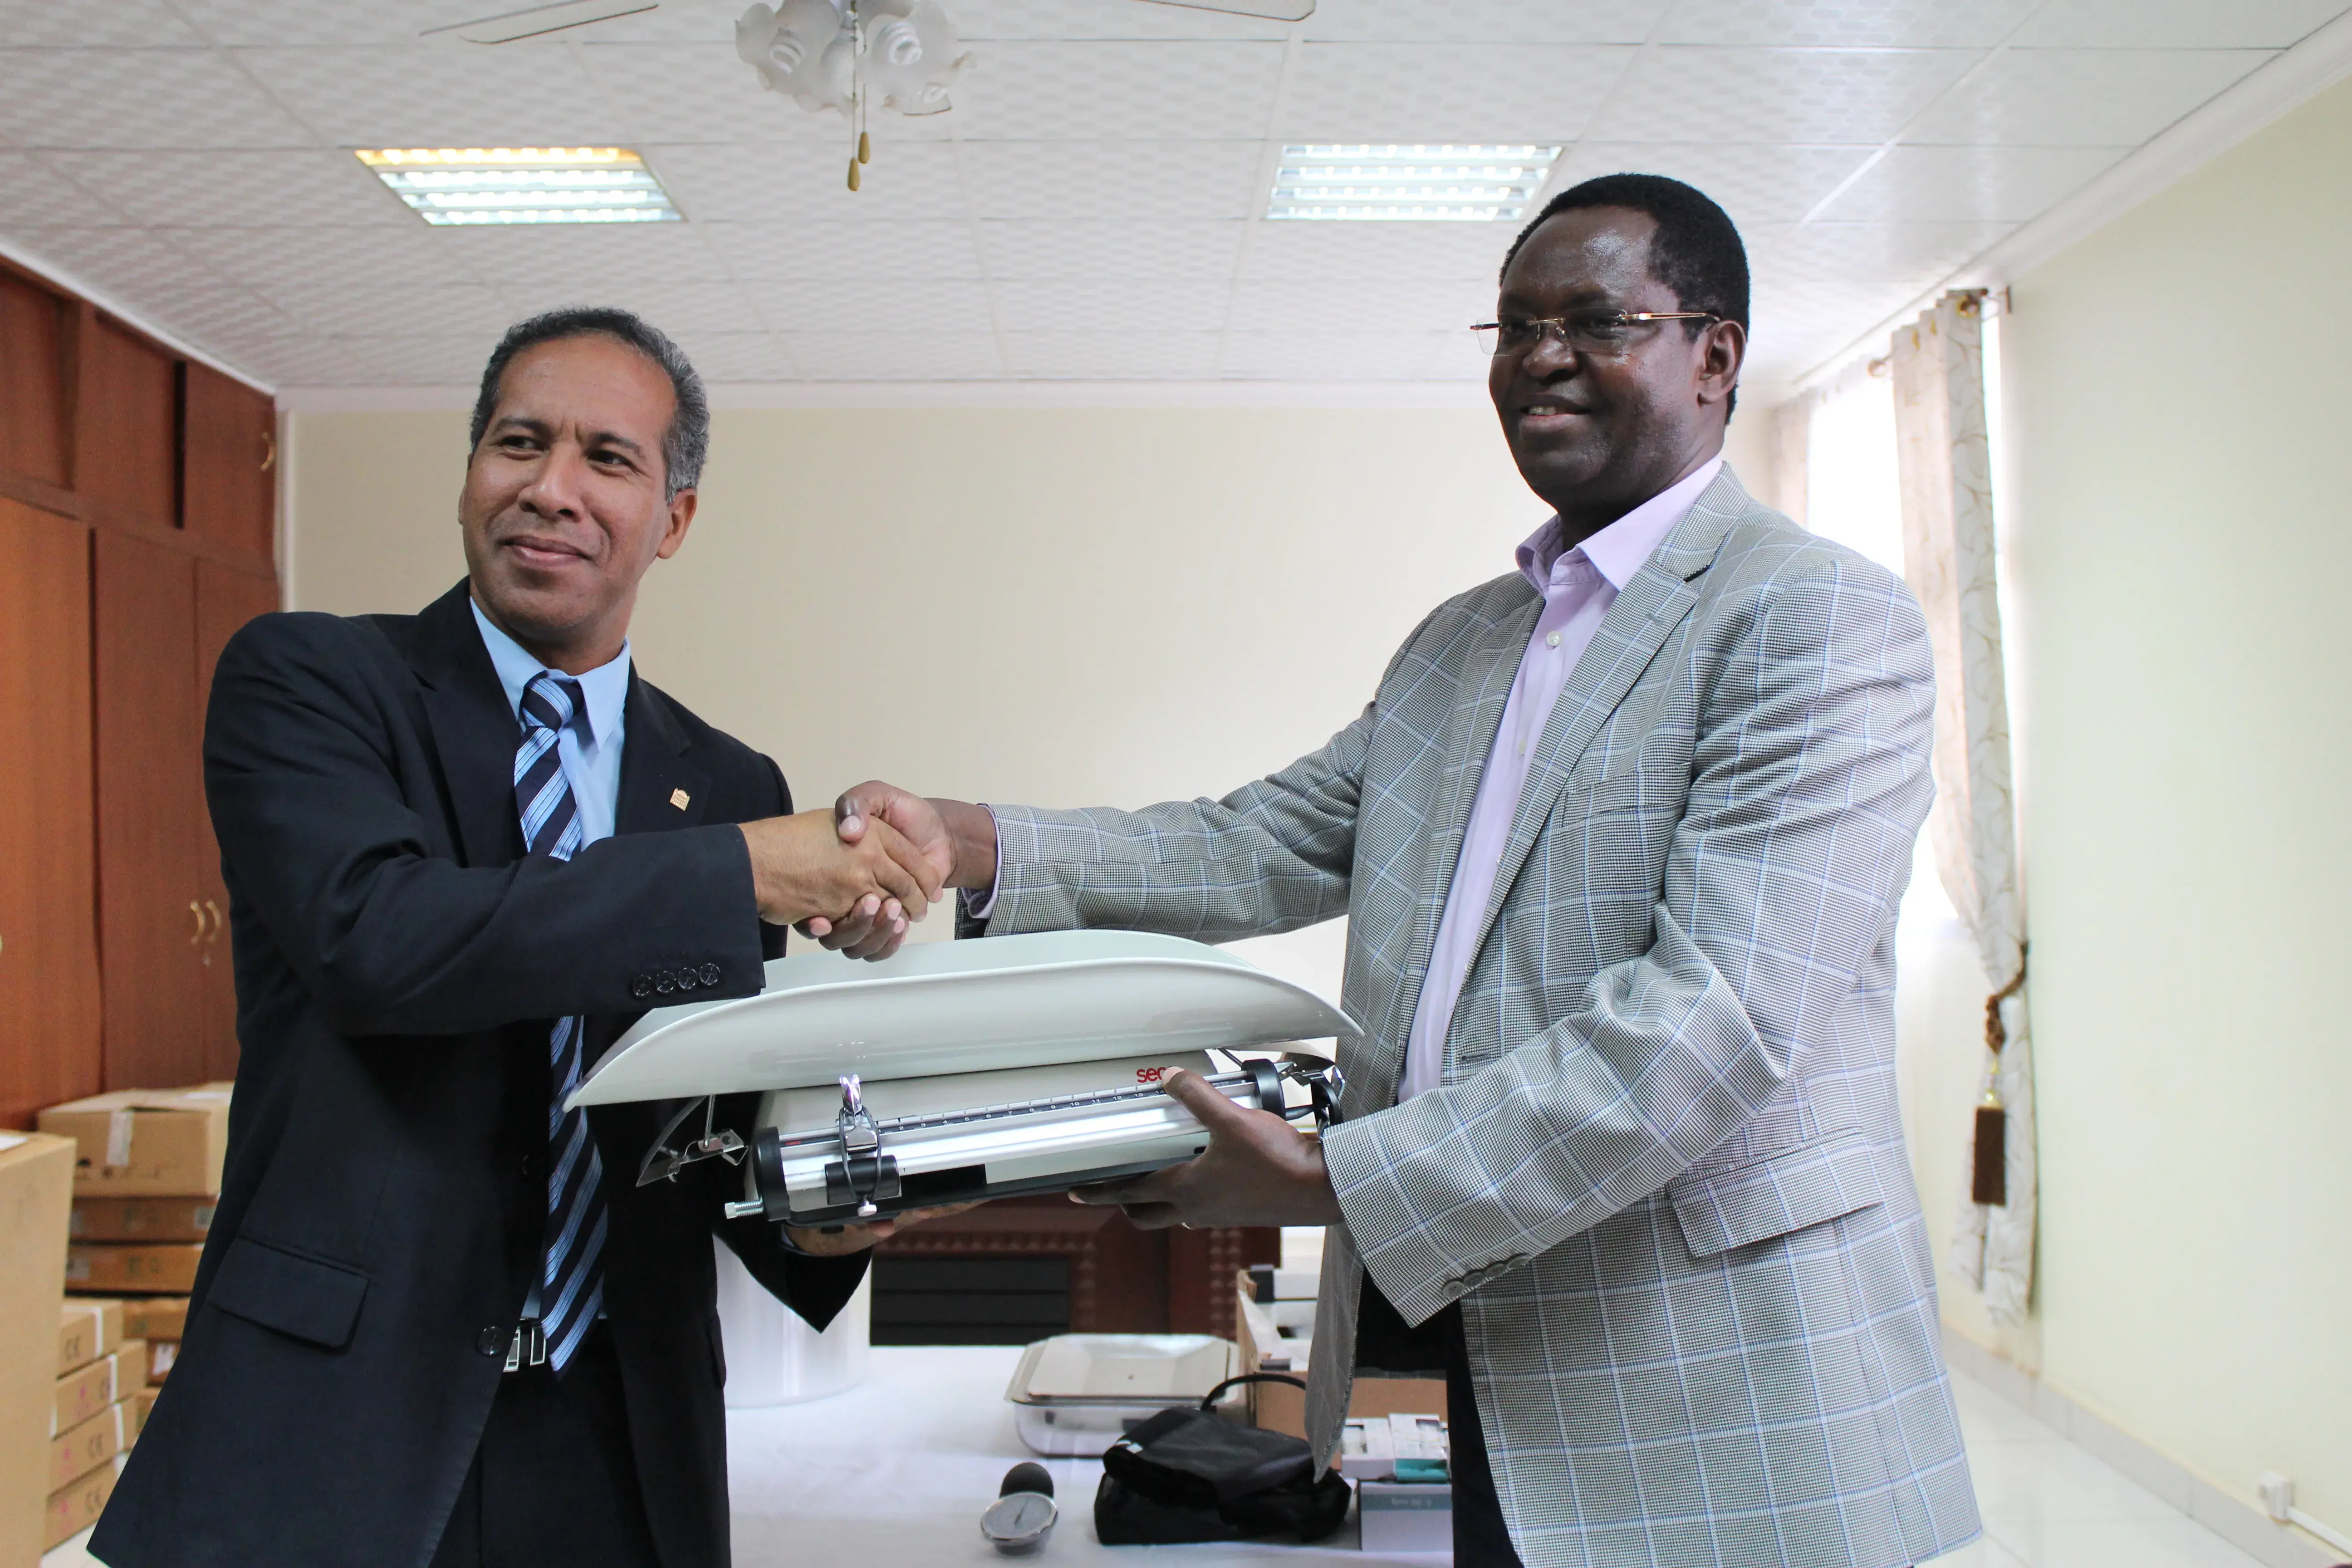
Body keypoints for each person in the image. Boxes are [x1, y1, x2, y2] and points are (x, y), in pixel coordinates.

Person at [816, 176, 1982, 1568]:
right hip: (1461, 1320)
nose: (1541, 355)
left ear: (1714, 355)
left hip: (1706, 1361)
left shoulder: (1813, 617)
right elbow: (1256, 846)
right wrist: (969, 837)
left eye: (1596, 320)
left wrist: (1331, 1176)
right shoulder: (1464, 641)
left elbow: (1716, 1020)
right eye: (1515, 324)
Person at [93, 308, 953, 1568]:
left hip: (620, 1441)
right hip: (334, 1435)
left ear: (673, 519)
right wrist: (738, 873)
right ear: (469, 476)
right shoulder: (313, 682)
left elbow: (691, 1129)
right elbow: (381, 943)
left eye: (607, 458)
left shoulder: (719, 779)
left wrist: (810, 1217)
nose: (550, 489)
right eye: (518, 444)